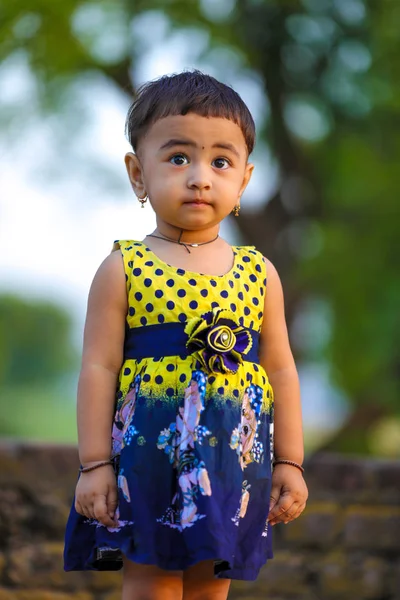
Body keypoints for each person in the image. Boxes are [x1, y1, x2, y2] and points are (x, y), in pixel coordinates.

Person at [64, 70, 308, 600]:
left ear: (243, 179)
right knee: (151, 586)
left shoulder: (258, 272)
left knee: (209, 589)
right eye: (178, 158)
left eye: (220, 161)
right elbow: (98, 368)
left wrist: (290, 461)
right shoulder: (124, 267)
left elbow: (281, 369)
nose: (200, 177)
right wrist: (93, 467)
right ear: (137, 174)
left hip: (230, 462)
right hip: (147, 460)